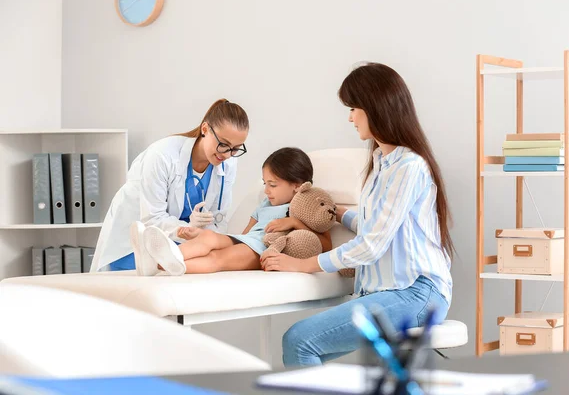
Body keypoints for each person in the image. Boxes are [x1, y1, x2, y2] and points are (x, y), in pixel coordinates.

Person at [261, 63, 454, 366]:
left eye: (354, 107)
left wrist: (302, 265)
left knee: (299, 341)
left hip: (415, 293)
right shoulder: (381, 164)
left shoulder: (409, 167)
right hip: (394, 294)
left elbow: (371, 245)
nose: (350, 117)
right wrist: (335, 213)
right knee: (302, 342)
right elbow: (376, 226)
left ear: (376, 106)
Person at [89, 99, 249, 272]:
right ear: (205, 129)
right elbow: (152, 218)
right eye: (223, 144)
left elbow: (218, 218)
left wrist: (203, 233)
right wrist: (190, 229)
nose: (227, 154)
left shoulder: (228, 163)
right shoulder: (162, 155)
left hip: (180, 241)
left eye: (235, 149)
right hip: (135, 241)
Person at [132, 147, 334, 276]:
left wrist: (293, 223)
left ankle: (163, 266)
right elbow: (246, 234)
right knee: (209, 238)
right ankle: (158, 259)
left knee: (218, 260)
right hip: (248, 241)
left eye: (272, 184)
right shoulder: (265, 204)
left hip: (262, 251)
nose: (266, 190)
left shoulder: (303, 209)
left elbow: (325, 244)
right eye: (265, 183)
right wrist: (215, 238)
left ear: (298, 185)